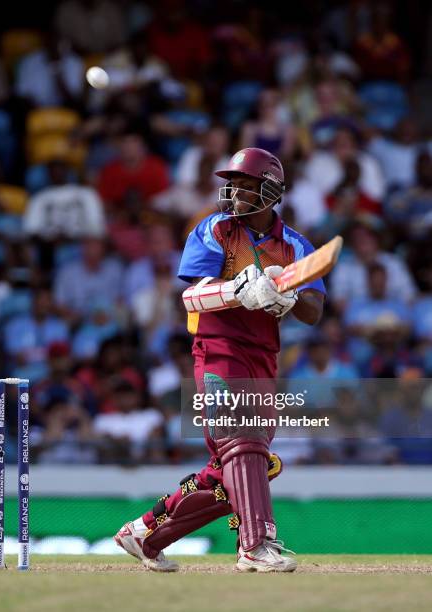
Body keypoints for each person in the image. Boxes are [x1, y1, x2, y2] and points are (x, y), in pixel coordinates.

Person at [115, 148, 325, 572]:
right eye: (233, 183)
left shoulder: (296, 245)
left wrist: (287, 295)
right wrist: (238, 289)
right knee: (242, 442)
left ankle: (145, 533)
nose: (236, 191)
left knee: (240, 466)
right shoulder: (215, 229)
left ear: (273, 191)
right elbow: (191, 295)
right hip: (218, 347)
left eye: (248, 184)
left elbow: (315, 311)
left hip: (263, 356)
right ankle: (256, 546)